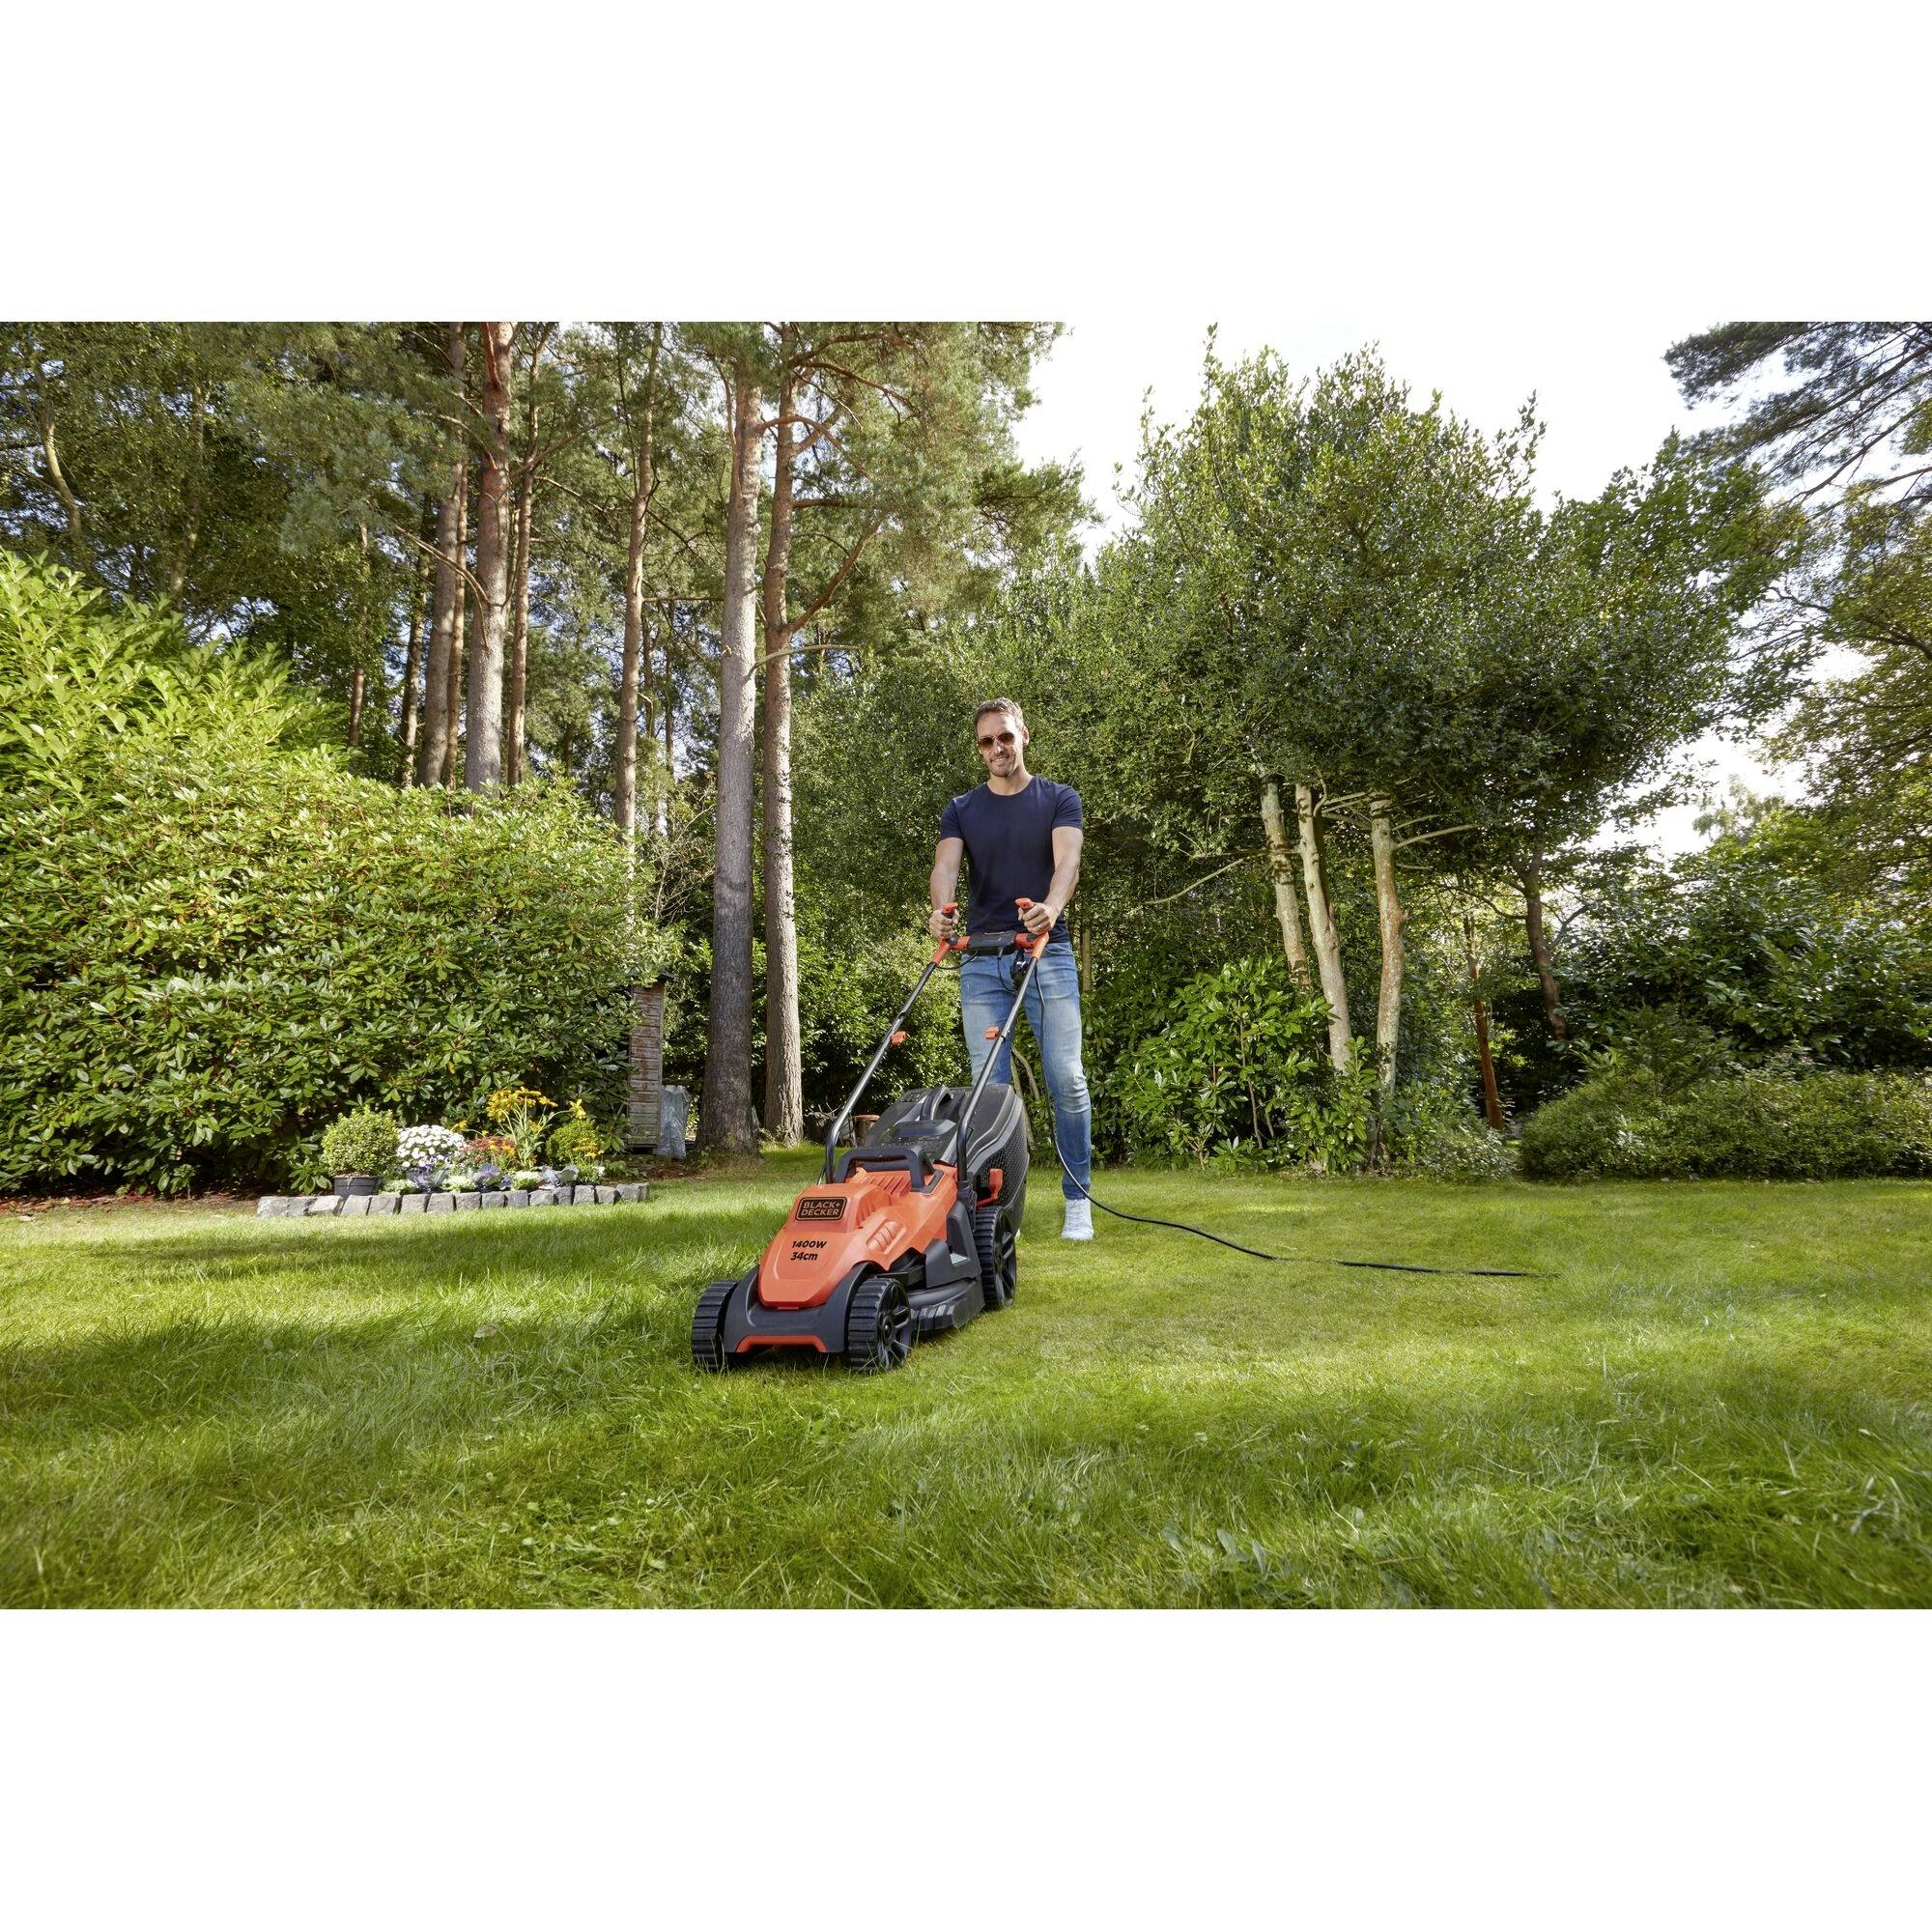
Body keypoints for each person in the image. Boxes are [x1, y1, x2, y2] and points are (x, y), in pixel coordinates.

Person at [928, 697, 1094, 1240]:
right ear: (980, 749)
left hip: (1047, 954)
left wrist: (1052, 907)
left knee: (1067, 1080)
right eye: (987, 741)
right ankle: (1000, 1211)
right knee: (990, 1093)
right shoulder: (962, 808)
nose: (997, 748)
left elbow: (1068, 862)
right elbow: (945, 865)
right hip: (982, 960)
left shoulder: (1058, 799)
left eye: (1004, 736)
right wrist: (941, 911)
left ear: (1023, 735)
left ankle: (1078, 1201)